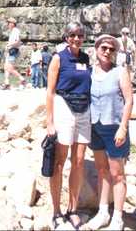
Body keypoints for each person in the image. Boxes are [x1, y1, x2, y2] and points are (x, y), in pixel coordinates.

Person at [46, 23, 91, 230]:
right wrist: (50, 122)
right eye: (72, 35)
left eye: (80, 35)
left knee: (79, 161)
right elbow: (50, 91)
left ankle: (72, 209)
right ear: (66, 37)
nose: (76, 39)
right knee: (59, 162)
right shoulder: (58, 58)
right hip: (64, 107)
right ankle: (56, 211)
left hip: (84, 109)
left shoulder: (86, 58)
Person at [87, 34, 133, 231]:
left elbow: (129, 100)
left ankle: (118, 217)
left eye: (111, 49)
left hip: (114, 127)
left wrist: (123, 127)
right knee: (102, 170)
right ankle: (103, 211)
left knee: (117, 174)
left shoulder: (120, 72)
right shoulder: (89, 72)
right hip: (95, 127)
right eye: (103, 48)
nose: (107, 51)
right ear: (96, 49)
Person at [3, 18, 25, 89]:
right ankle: (7, 83)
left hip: (13, 51)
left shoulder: (16, 31)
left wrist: (9, 45)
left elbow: (18, 41)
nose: (8, 24)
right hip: (10, 51)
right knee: (6, 67)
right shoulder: (13, 31)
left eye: (9, 23)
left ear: (12, 24)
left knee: (10, 68)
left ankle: (22, 79)